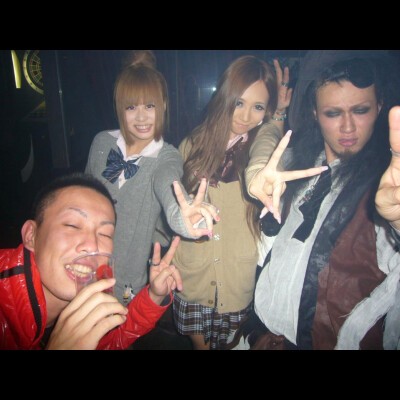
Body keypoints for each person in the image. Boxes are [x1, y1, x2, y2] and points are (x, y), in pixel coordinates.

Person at [244, 50, 400, 349]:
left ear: (379, 107)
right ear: (315, 113)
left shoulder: (386, 185)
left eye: (360, 110)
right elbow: (266, 146)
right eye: (333, 113)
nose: (348, 127)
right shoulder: (299, 165)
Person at [171, 55, 300, 350]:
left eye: (258, 107)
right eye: (239, 102)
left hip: (237, 278)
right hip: (192, 274)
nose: (245, 116)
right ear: (225, 96)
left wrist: (278, 117)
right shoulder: (191, 145)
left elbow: (267, 146)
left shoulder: (259, 143)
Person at [85, 50, 218, 303]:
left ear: (163, 105)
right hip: (85, 269)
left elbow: (170, 187)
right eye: (131, 107)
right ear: (120, 108)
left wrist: (184, 216)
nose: (141, 117)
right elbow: (82, 197)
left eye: (150, 106)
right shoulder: (101, 143)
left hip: (124, 283)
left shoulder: (166, 157)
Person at [0, 172, 184, 350]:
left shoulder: (92, 294)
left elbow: (107, 341)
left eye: (105, 234)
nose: (92, 245)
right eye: (72, 225)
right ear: (31, 235)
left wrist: (154, 295)